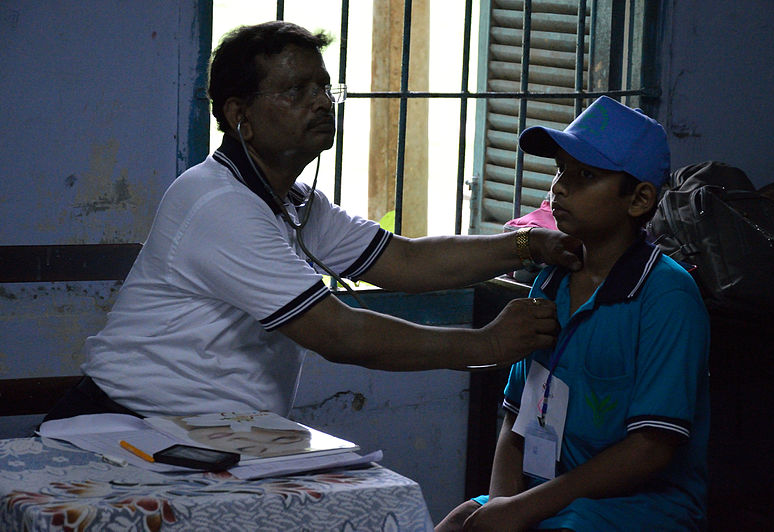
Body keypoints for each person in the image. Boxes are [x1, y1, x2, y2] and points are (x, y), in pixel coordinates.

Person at [43, 21, 582, 423]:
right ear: (239, 116)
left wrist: (528, 246)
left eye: (324, 88)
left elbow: (403, 260)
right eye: (295, 92)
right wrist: (484, 347)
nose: (322, 103)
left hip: (205, 434)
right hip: (126, 428)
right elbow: (339, 333)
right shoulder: (217, 204)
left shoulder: (291, 199)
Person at [435, 96, 710, 531]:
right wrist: (503, 505)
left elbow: (650, 449)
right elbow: (516, 417)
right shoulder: (552, 281)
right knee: (462, 521)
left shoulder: (666, 296)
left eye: (585, 176)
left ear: (639, 199)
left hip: (638, 506)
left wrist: (522, 511)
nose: (559, 187)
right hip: (549, 496)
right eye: (561, 170)